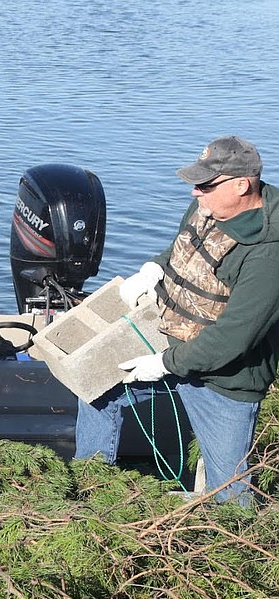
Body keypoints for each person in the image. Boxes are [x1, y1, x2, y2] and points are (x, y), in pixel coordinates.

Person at [75, 136, 279, 504]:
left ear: (241, 185)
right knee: (94, 387)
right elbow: (182, 248)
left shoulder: (268, 254)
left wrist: (162, 365)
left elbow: (233, 338)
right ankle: (92, 492)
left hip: (225, 382)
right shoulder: (211, 206)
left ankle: (235, 534)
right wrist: (153, 269)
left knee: (231, 495)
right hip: (170, 339)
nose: (195, 193)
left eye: (205, 185)